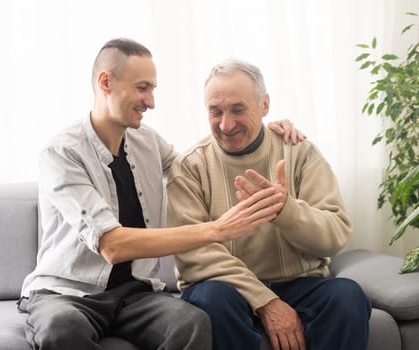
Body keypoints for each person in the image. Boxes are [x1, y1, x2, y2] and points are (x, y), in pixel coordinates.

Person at [18, 38, 303, 350]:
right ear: (106, 82)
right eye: (143, 88)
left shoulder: (149, 143)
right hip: (68, 294)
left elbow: (202, 165)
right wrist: (217, 230)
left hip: (136, 296)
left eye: (152, 89)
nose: (151, 101)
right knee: (62, 329)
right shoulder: (62, 152)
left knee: (191, 324)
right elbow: (112, 245)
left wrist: (261, 132)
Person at [166, 58, 372, 350]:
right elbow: (194, 255)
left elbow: (335, 234)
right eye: (215, 111)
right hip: (227, 289)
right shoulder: (189, 166)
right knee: (212, 299)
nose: (226, 124)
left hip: (299, 284)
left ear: (264, 105)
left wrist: (285, 211)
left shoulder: (300, 152)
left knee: (347, 296)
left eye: (238, 109)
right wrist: (266, 301)